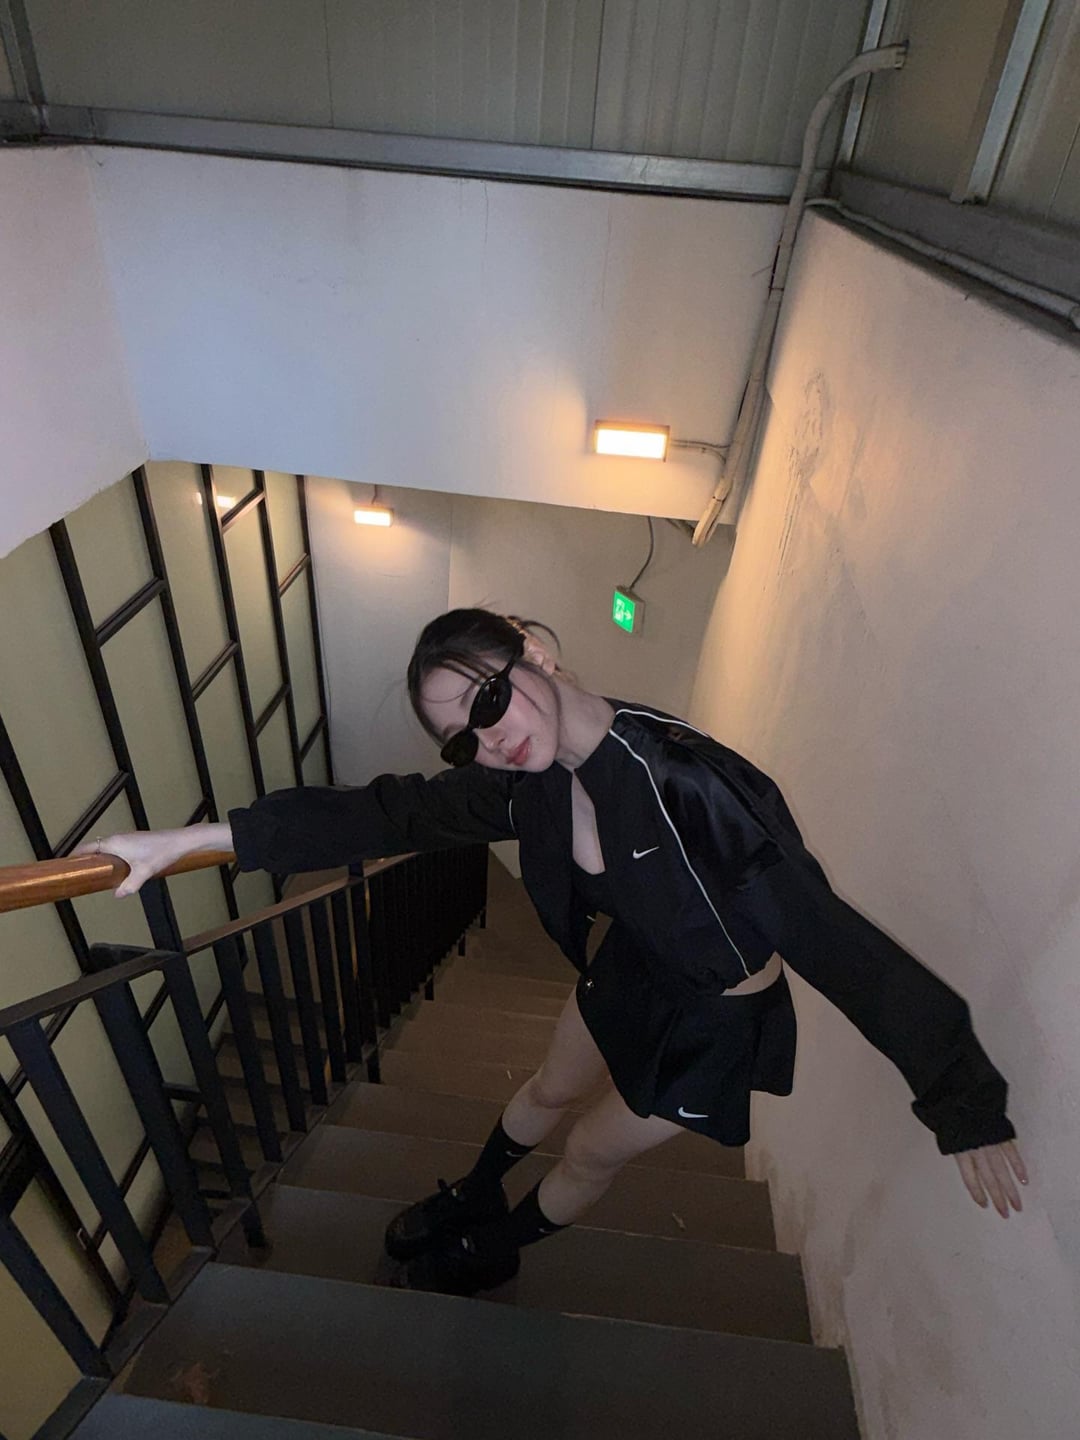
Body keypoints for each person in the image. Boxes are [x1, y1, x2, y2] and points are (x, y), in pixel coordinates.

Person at [85, 608, 1027, 1298]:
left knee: (588, 1146)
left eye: (489, 698)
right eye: (464, 738)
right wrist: (185, 843)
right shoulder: (528, 783)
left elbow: (831, 938)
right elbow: (390, 812)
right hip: (634, 968)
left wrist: (962, 1100)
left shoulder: (688, 787)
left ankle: (498, 1246)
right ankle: (472, 1193)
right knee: (544, 1090)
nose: (491, 738)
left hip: (716, 1017)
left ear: (535, 652)